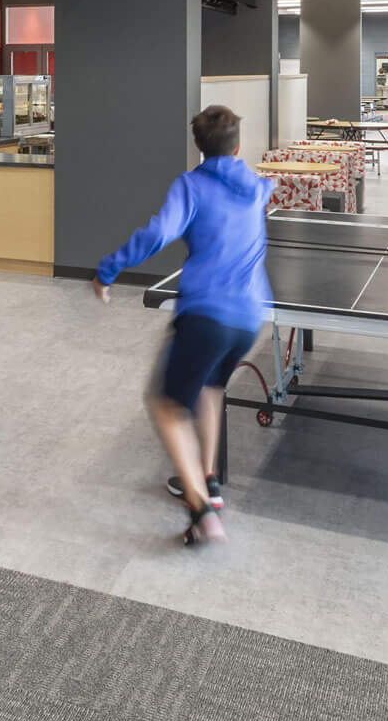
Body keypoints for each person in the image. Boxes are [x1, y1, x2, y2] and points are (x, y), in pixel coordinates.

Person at [89, 105, 275, 547]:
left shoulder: (190, 186)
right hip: (250, 318)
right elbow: (261, 191)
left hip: (207, 314)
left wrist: (108, 270)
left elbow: (157, 234)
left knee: (165, 404)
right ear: (237, 145)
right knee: (211, 388)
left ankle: (200, 508)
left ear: (197, 145)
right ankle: (207, 480)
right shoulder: (256, 186)